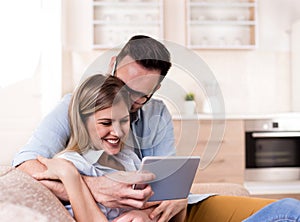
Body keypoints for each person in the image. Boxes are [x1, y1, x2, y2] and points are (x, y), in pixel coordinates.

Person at [12, 35, 300, 221]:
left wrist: (177, 196)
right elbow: (24, 165)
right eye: (123, 87)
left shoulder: (156, 114)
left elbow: (168, 177)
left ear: (157, 89)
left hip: (166, 213)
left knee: (289, 210)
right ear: (113, 67)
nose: (126, 101)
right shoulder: (74, 107)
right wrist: (92, 187)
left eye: (140, 97)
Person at [33, 74, 186, 222]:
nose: (118, 132)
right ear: (82, 122)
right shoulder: (72, 164)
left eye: (124, 121)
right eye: (106, 123)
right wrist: (69, 174)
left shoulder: (127, 157)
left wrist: (147, 214)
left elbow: (166, 210)